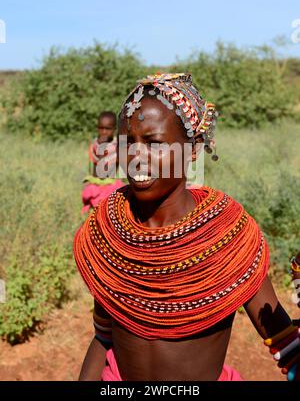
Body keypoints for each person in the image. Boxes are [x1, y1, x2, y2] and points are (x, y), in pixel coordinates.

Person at [74, 73, 300, 381]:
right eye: (128, 143)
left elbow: (284, 340)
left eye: (153, 143)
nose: (136, 158)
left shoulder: (227, 235)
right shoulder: (109, 230)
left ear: (192, 150)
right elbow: (104, 335)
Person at [82, 111, 124, 214]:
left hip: (110, 185)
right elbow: (97, 166)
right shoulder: (95, 144)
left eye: (108, 129)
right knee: (95, 215)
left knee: (109, 213)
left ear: (114, 129)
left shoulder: (117, 146)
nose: (104, 132)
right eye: (101, 128)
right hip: (96, 186)